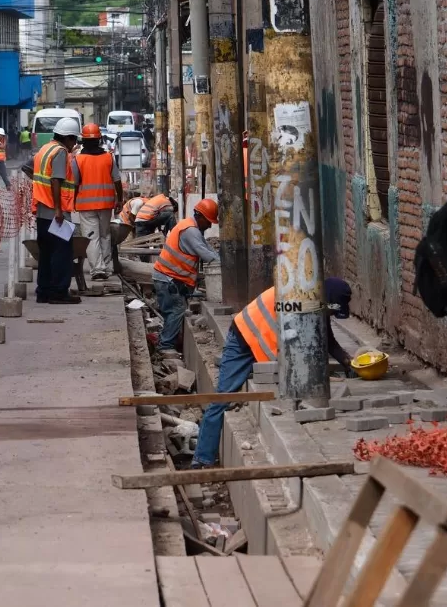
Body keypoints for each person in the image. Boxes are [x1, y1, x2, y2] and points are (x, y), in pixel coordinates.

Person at [191, 278, 356, 469]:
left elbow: (327, 337)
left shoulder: (315, 299)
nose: (331, 314)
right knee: (222, 398)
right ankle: (202, 459)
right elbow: (293, 349)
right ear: (327, 300)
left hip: (260, 339)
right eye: (332, 310)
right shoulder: (296, 299)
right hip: (243, 338)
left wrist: (347, 361)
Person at [152, 198, 220, 358]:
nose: (210, 225)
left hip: (168, 277)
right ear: (200, 216)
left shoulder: (190, 226)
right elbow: (206, 255)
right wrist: (224, 264)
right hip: (167, 278)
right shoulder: (190, 231)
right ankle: (165, 346)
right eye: (209, 221)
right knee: (176, 310)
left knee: (173, 311)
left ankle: (169, 340)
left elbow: (207, 248)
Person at [32, 117, 81, 305]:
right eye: (74, 139)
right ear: (67, 138)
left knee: (46, 253)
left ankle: (43, 291)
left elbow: (29, 169)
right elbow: (56, 180)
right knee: (62, 252)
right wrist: (59, 210)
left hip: (42, 211)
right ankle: (59, 292)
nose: (74, 144)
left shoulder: (45, 149)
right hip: (56, 214)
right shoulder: (60, 152)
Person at [74, 123, 123, 281]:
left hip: (86, 205)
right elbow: (117, 181)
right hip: (106, 204)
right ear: (99, 139)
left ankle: (98, 270)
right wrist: (120, 199)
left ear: (83, 141)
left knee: (91, 237)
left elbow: (74, 184)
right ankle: (106, 267)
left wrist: (73, 201)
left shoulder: (78, 159)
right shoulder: (109, 157)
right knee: (105, 235)